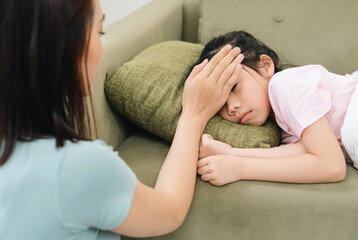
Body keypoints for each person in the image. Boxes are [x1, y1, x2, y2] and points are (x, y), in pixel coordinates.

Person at [0, 0, 244, 239]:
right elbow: (170, 212)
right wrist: (194, 114)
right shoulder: (80, 167)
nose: (102, 48)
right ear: (65, 45)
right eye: (99, 32)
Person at [192, 31, 358, 186]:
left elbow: (331, 165)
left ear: (265, 66)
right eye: (221, 103)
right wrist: (229, 153)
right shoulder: (285, 129)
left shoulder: (285, 84)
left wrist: (240, 167)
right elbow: (309, 153)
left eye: (234, 86)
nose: (231, 107)